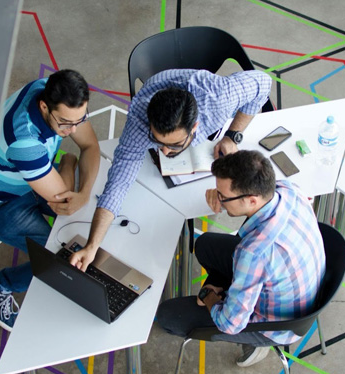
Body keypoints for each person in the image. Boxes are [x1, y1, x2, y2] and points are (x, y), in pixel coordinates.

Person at [68, 68, 272, 271]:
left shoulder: (219, 99)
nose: (164, 152)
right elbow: (118, 183)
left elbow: (263, 83)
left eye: (174, 145)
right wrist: (92, 245)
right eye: (157, 142)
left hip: (204, 92)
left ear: (194, 128)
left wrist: (233, 134)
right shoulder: (139, 120)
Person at [156, 150, 326, 367]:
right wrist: (219, 193)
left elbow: (229, 324)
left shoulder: (254, 253)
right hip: (297, 286)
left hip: (276, 325)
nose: (219, 200)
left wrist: (208, 295)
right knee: (206, 245)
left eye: (223, 197)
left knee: (168, 315)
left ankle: (256, 345)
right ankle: (231, 293)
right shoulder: (288, 190)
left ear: (252, 200)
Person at [0, 69, 100, 331]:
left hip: (32, 179)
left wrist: (84, 191)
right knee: (58, 257)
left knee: (85, 218)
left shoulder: (53, 90)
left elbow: (90, 146)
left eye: (80, 120)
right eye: (66, 123)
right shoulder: (25, 141)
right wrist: (68, 163)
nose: (73, 130)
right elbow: (65, 203)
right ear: (44, 107)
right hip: (1, 204)